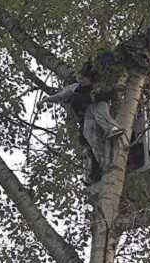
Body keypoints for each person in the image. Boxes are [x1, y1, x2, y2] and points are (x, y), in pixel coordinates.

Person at [40, 53, 123, 184]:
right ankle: (102, 161)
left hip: (99, 105)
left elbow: (112, 88)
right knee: (88, 134)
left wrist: (117, 88)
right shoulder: (75, 88)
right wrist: (47, 99)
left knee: (100, 113)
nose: (82, 80)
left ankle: (112, 128)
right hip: (87, 115)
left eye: (85, 78)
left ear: (91, 78)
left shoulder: (98, 85)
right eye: (81, 78)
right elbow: (60, 95)